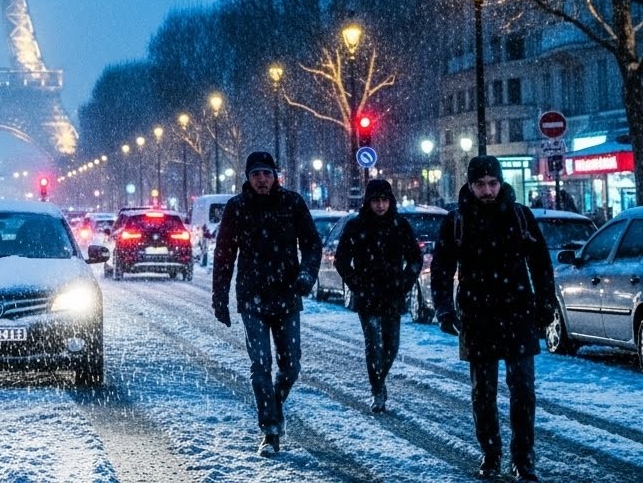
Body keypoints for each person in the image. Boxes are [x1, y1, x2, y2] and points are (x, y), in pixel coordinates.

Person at [431, 155, 555, 482]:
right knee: (482, 392)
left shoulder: (519, 217)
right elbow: (441, 270)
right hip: (477, 315)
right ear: (470, 186)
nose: (488, 190)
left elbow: (541, 264)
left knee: (523, 391)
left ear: (500, 183)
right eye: (481, 184)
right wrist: (443, 308)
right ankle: (491, 453)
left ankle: (523, 458)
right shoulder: (457, 221)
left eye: (493, 183)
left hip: (516, 313)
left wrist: (545, 303)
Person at [212, 150, 321, 457]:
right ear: (248, 178)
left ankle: (274, 403)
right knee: (260, 365)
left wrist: (306, 275)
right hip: (252, 298)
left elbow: (312, 243)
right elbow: (224, 256)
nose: (262, 179)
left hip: (287, 295)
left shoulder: (292, 203)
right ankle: (270, 430)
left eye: (267, 174)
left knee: (291, 366)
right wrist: (219, 297)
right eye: (256, 174)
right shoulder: (237, 208)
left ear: (276, 176)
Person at [333, 179, 422, 414]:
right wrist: (356, 284)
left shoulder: (399, 225)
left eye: (384, 200)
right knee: (374, 344)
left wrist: (404, 283)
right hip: (368, 295)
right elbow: (341, 260)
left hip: (392, 294)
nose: (380, 205)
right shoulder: (356, 226)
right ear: (368, 202)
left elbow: (415, 258)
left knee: (391, 346)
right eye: (376, 201)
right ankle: (377, 389)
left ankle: (379, 380)